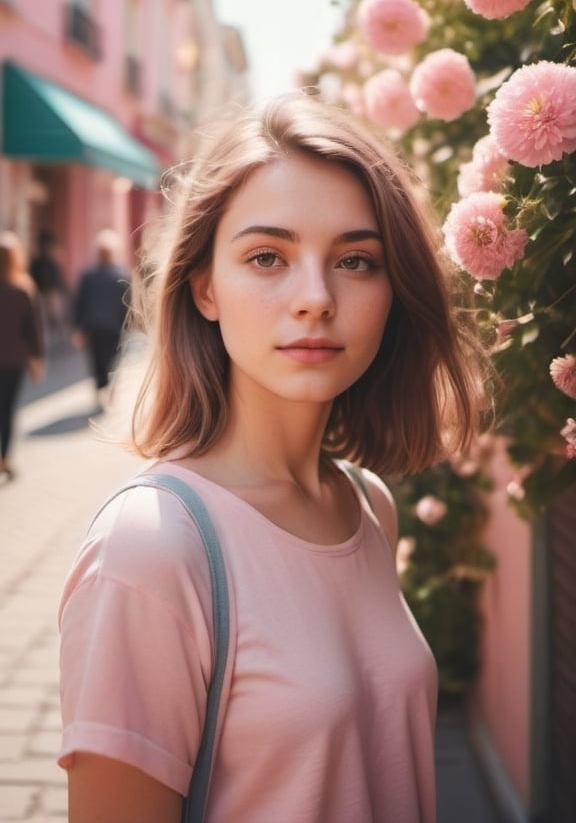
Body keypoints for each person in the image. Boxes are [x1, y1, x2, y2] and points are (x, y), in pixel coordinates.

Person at [58, 93, 487, 822]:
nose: (315, 298)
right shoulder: (152, 550)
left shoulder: (366, 504)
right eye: (267, 257)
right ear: (205, 288)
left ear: (394, 288)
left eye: (356, 260)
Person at [0, 231, 45, 479]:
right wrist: (37, 361)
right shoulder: (23, 289)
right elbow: (34, 330)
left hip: (12, 360)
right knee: (6, 410)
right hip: (14, 361)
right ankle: (4, 457)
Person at [72, 230, 130, 406]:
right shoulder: (122, 276)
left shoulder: (88, 276)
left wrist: (79, 328)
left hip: (95, 327)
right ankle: (108, 389)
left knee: (98, 361)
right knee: (112, 360)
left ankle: (101, 390)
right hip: (113, 327)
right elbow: (128, 306)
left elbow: (79, 304)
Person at [29, 228, 69, 341]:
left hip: (50, 292)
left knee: (54, 315)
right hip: (41, 292)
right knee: (44, 317)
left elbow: (58, 278)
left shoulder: (50, 262)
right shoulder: (39, 262)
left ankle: (57, 336)